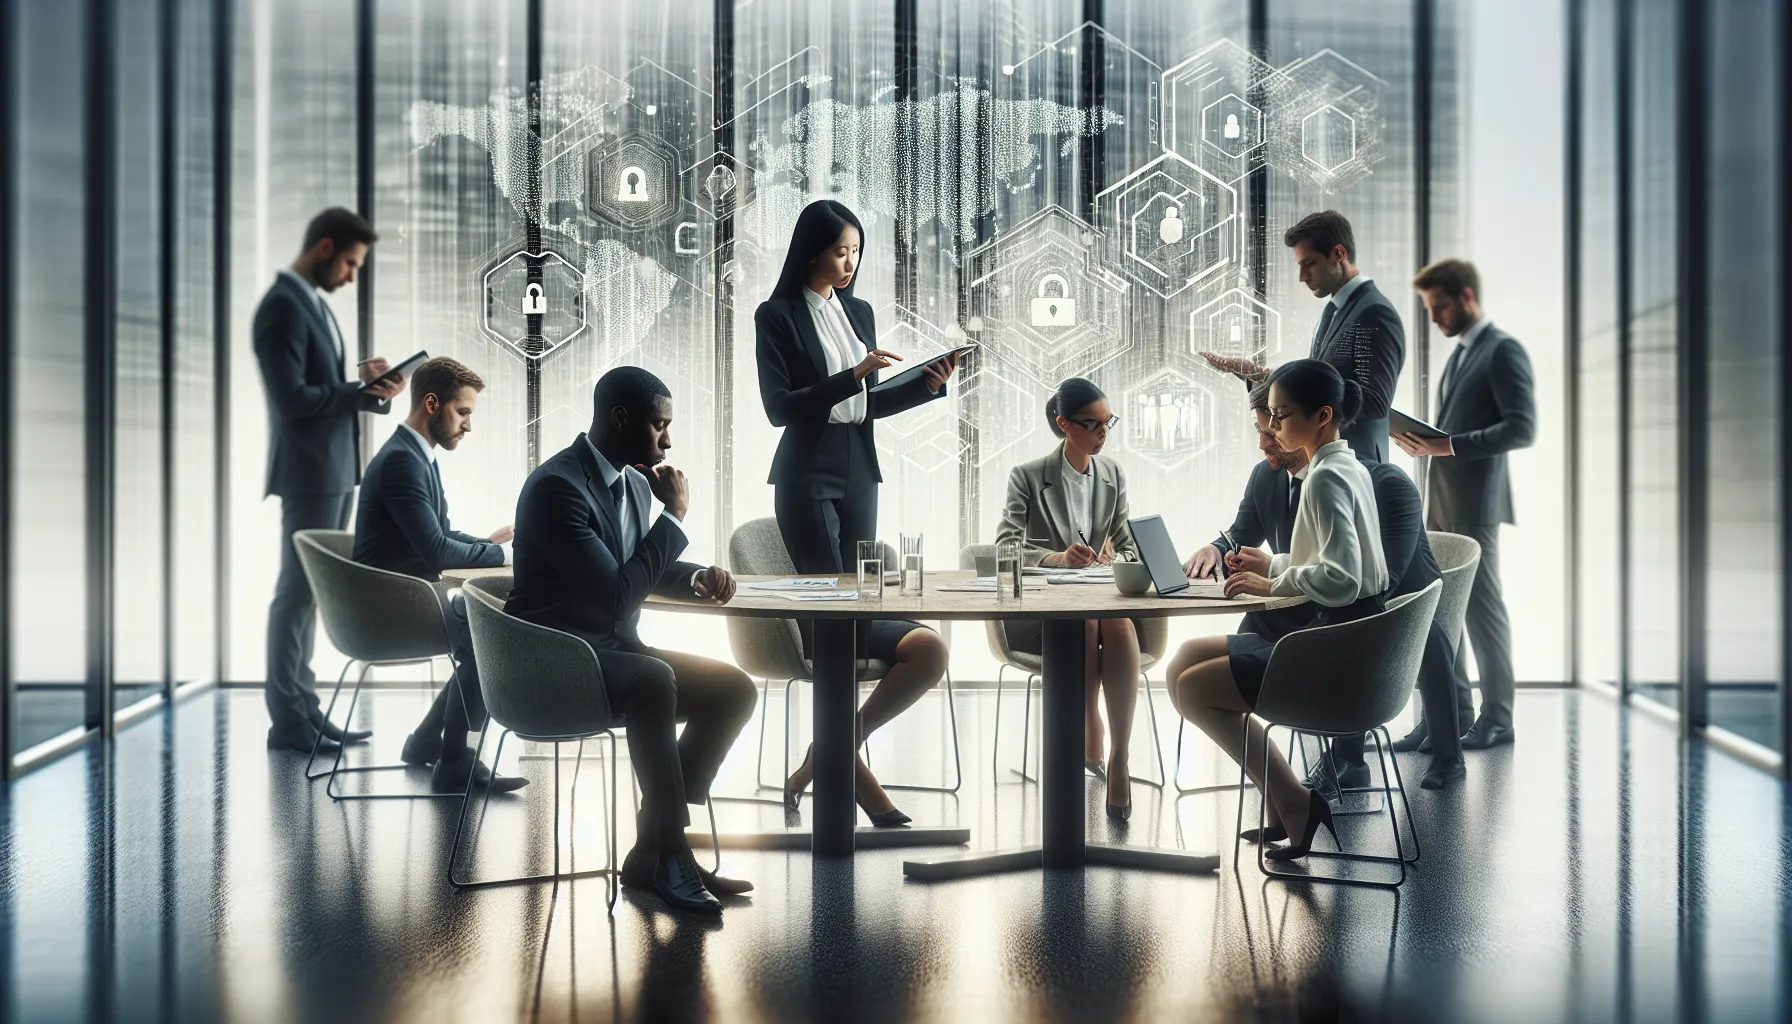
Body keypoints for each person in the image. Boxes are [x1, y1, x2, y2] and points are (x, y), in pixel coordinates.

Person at [506, 367, 758, 916]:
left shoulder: (634, 484)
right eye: (659, 425)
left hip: (610, 651)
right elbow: (618, 594)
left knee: (733, 689)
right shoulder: (557, 488)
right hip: (552, 660)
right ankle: (670, 851)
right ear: (621, 419)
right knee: (653, 680)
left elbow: (634, 568)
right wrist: (676, 517)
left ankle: (652, 845)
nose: (667, 442)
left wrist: (696, 576)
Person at [754, 199, 959, 827]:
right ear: (812, 251)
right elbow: (780, 408)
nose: (851, 263)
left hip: (859, 469)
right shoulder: (776, 315)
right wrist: (852, 375)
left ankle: (825, 756)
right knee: (834, 619)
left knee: (891, 625)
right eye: (841, 251)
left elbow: (867, 405)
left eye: (857, 252)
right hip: (806, 473)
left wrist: (924, 385)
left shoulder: (858, 311)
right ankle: (867, 793)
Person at [1183, 381, 1468, 792]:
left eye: (1275, 427)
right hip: (1319, 595)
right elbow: (1244, 530)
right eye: (1263, 429)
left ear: (1314, 423)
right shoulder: (1267, 477)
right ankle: (1290, 742)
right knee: (1241, 636)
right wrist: (1219, 550)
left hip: (1399, 608)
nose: (1265, 441)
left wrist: (1284, 583)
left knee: (1369, 628)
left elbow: (1381, 579)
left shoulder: (1380, 481)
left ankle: (1389, 757)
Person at [1165, 360, 1388, 860]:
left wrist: (1274, 580)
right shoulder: (1347, 467)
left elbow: (1343, 579)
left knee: (1192, 688)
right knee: (1182, 661)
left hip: (1335, 647)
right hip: (1353, 637)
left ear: (1323, 416)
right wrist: (1274, 563)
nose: (1273, 428)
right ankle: (1284, 797)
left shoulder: (1324, 479)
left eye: (1281, 416)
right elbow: (1343, 564)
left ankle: (1292, 800)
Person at [254, 207, 406, 754]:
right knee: (295, 594)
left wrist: (368, 389)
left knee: (310, 594)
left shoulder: (309, 304)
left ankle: (305, 709)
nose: (351, 275)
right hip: (311, 474)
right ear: (324, 249)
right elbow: (292, 399)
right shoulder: (282, 306)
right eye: (350, 263)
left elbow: (319, 390)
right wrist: (356, 392)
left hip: (333, 471)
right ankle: (288, 720)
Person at [350, 357, 524, 795]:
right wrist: (499, 553)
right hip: (386, 609)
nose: (468, 426)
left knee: (484, 625)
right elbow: (437, 550)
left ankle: (428, 741)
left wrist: (485, 545)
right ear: (432, 404)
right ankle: (454, 760)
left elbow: (440, 534)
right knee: (493, 635)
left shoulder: (414, 454)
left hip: (400, 597)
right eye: (462, 412)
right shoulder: (403, 462)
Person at [1397, 259, 1535, 750]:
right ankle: (1449, 717)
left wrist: (1447, 445)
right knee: (1443, 611)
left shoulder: (1502, 350)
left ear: (1466, 298)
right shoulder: (1462, 355)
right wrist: (1429, 445)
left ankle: (1499, 718)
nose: (1434, 317)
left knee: (1481, 613)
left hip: (1475, 507)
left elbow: (1522, 428)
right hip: (1442, 504)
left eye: (1439, 307)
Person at [997, 378, 1146, 820]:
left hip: (1102, 603)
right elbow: (1005, 546)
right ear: (1064, 424)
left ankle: (1119, 757)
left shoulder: (1113, 473)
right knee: (1087, 623)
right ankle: (1089, 724)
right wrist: (1057, 558)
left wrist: (1116, 557)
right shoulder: (1027, 476)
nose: (1103, 433)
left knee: (1113, 621)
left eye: (1108, 423)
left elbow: (1128, 542)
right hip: (1047, 611)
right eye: (1092, 424)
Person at [1200, 210, 1404, 462]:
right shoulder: (1334, 311)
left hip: (1356, 463)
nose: (1302, 277)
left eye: (1309, 264)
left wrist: (1295, 397)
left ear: (1338, 255)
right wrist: (1261, 376)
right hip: (1326, 458)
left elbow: (1374, 402)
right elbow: (1316, 379)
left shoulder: (1372, 313)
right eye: (1300, 266)